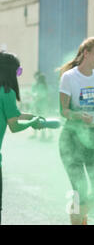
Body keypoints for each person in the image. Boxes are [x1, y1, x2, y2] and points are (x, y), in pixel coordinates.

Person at [58, 37, 94, 225]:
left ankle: (78, 217)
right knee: (79, 191)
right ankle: (79, 219)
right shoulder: (69, 77)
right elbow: (63, 111)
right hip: (72, 139)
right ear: (86, 54)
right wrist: (78, 116)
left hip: (93, 137)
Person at [0, 51, 44, 224]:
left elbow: (12, 114)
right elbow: (14, 125)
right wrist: (32, 123)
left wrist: (30, 116)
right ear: (10, 72)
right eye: (18, 72)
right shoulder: (6, 91)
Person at [31, 72, 50, 140]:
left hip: (39, 105)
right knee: (42, 119)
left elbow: (40, 95)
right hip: (43, 105)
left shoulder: (40, 85)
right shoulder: (44, 85)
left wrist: (36, 98)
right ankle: (43, 134)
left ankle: (41, 134)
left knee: (38, 119)